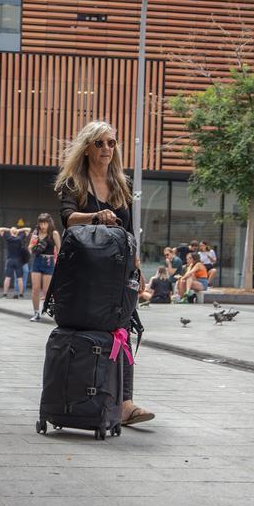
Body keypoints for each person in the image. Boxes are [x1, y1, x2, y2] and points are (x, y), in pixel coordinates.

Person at [55, 120, 155, 425]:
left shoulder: (120, 185)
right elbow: (68, 218)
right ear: (86, 148)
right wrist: (96, 216)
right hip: (84, 274)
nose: (107, 149)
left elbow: (128, 231)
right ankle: (78, 397)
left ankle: (125, 403)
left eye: (111, 143)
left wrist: (136, 269)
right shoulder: (75, 182)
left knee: (122, 331)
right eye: (100, 143)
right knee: (84, 332)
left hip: (117, 274)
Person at [27, 213, 60, 322]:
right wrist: (34, 245)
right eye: (41, 223)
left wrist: (59, 264)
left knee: (47, 290)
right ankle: (36, 313)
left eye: (45, 223)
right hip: (37, 260)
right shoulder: (36, 233)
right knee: (35, 288)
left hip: (49, 261)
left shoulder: (54, 233)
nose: (43, 225)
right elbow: (30, 248)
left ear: (49, 222)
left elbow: (60, 250)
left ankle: (55, 311)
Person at [0, 226, 28, 298]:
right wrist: (18, 230)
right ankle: (21, 294)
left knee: (8, 278)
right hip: (18, 260)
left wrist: (10, 230)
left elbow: (0, 229)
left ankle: (5, 294)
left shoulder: (8, 238)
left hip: (10, 260)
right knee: (20, 278)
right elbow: (28, 230)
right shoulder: (20, 238)